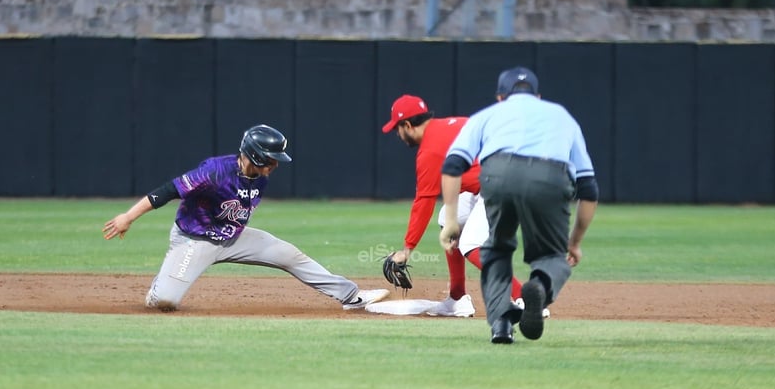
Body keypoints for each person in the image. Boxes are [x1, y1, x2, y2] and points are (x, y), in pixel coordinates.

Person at [103, 124, 390, 311]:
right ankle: (160, 286)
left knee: (291, 255)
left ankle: (351, 297)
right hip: (195, 240)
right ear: (255, 156)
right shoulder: (213, 172)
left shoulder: (259, 175)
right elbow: (166, 191)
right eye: (271, 158)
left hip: (234, 237)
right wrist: (128, 217)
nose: (276, 164)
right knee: (165, 302)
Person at [439, 67, 598, 343]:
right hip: (551, 175)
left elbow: (453, 166)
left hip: (499, 174)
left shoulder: (486, 115)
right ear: (537, 96)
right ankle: (539, 286)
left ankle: (501, 324)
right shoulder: (562, 116)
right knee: (550, 257)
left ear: (501, 97)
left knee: (497, 251)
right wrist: (574, 242)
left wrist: (452, 219)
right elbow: (588, 187)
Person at [381, 94, 524, 317]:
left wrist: (407, 249)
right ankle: (457, 299)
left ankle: (524, 296)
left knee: (470, 243)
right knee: (449, 220)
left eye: (397, 129)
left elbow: (424, 202)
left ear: (407, 125)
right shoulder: (453, 123)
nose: (398, 134)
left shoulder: (428, 152)